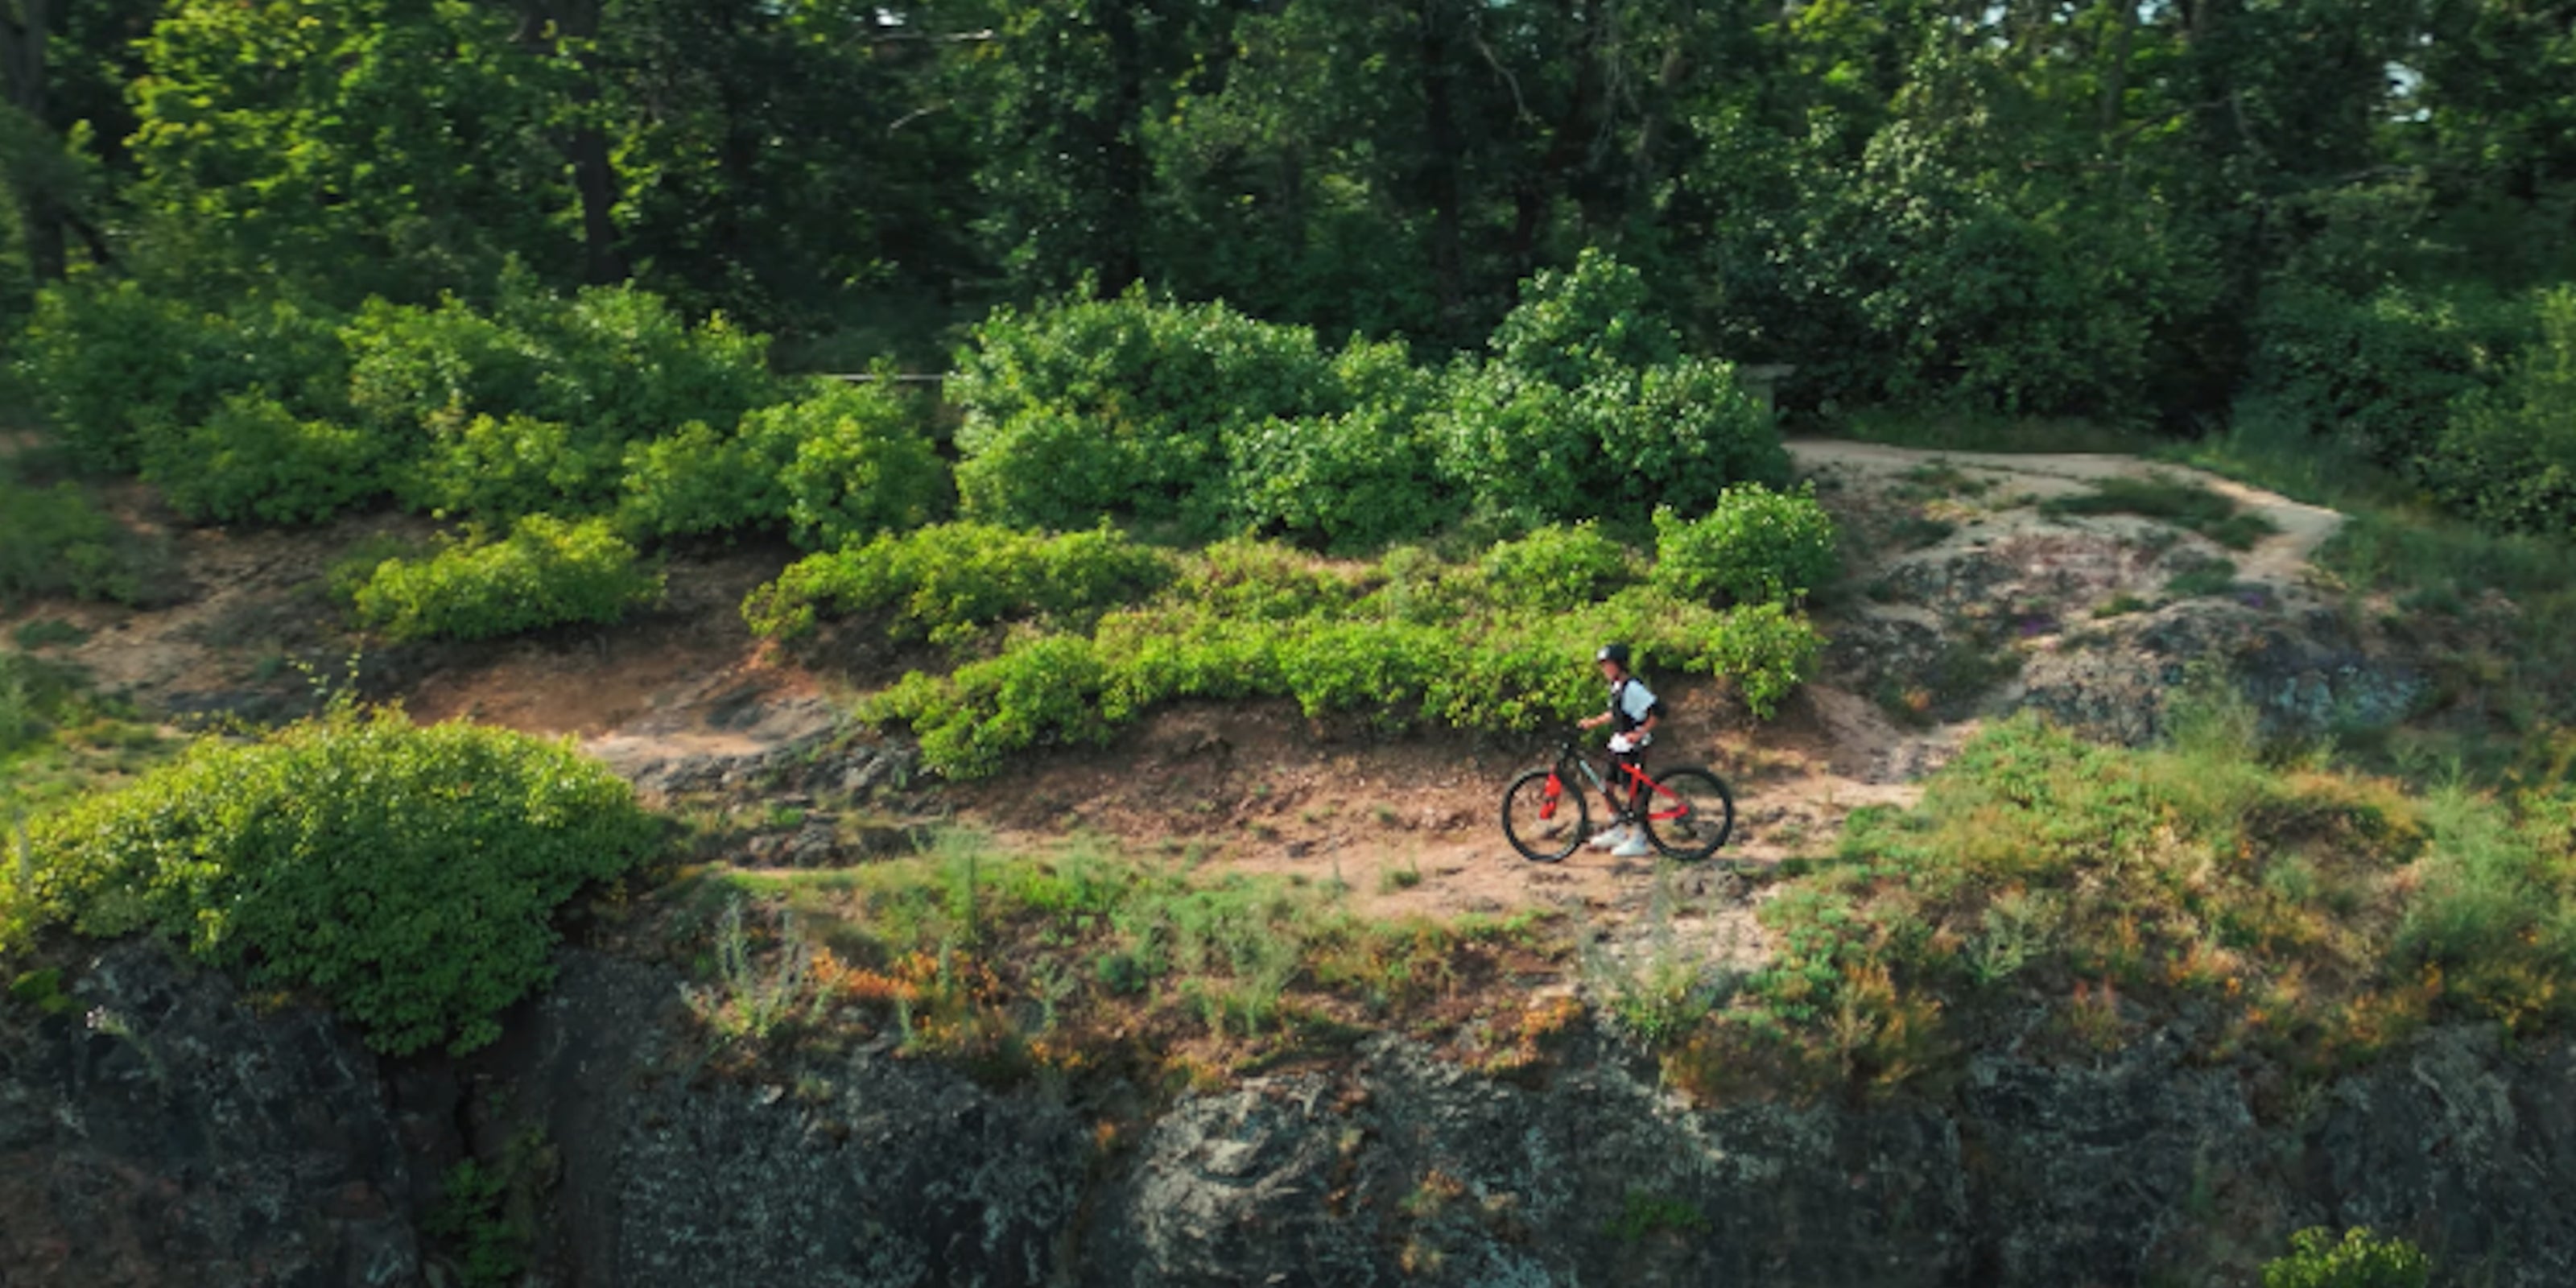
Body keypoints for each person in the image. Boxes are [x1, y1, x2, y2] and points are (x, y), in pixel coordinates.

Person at [1578, 642, 1660, 857]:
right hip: (1619, 743)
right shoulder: (1617, 687)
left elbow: (1658, 711)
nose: (1604, 669)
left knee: (1633, 792)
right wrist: (1593, 723)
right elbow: (1615, 713)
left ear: (1620, 665)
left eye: (1608, 664)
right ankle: (1617, 829)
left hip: (1634, 746)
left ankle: (1640, 838)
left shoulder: (1633, 688)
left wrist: (1640, 733)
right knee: (1607, 786)